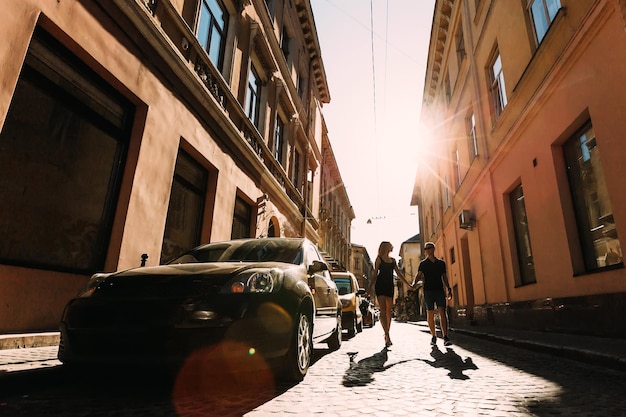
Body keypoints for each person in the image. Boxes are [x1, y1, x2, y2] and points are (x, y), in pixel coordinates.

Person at [370, 241, 411, 347]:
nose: (392, 247)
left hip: (389, 286)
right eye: (390, 245)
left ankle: (387, 332)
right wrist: (369, 288)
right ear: (386, 247)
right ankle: (387, 335)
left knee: (388, 311)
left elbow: (399, 274)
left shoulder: (393, 261)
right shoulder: (378, 259)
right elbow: (375, 275)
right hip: (380, 285)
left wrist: (408, 284)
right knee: (383, 310)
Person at [412, 241, 453, 346]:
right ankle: (433, 336)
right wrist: (414, 284)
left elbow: (444, 276)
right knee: (430, 313)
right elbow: (418, 275)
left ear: (433, 249)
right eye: (425, 249)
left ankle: (445, 337)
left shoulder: (441, 263)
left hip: (439, 290)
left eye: (429, 248)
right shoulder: (423, 264)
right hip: (428, 290)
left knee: (442, 312)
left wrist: (448, 288)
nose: (427, 250)